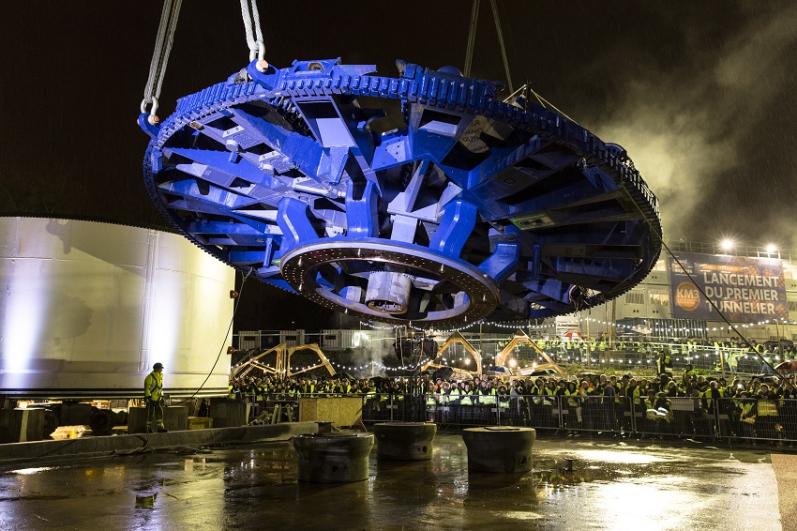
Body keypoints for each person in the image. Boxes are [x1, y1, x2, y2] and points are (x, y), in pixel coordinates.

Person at [145, 362, 167, 433]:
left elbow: (160, 388)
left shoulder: (160, 377)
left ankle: (160, 428)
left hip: (158, 399)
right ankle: (148, 429)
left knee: (159, 414)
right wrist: (148, 397)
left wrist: (162, 396)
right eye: (160, 368)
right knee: (150, 414)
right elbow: (147, 388)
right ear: (156, 368)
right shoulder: (150, 377)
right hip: (151, 399)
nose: (161, 370)